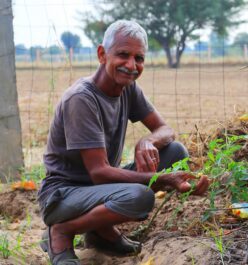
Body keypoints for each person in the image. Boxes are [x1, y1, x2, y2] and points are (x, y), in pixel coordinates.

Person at [38, 20, 209, 265]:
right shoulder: (82, 99)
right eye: (123, 55)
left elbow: (165, 130)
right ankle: (63, 231)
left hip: (99, 189)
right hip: (62, 196)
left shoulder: (127, 87)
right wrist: (163, 180)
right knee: (140, 197)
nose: (131, 65)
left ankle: (99, 231)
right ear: (101, 54)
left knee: (174, 152)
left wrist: (147, 140)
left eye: (139, 58)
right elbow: (99, 173)